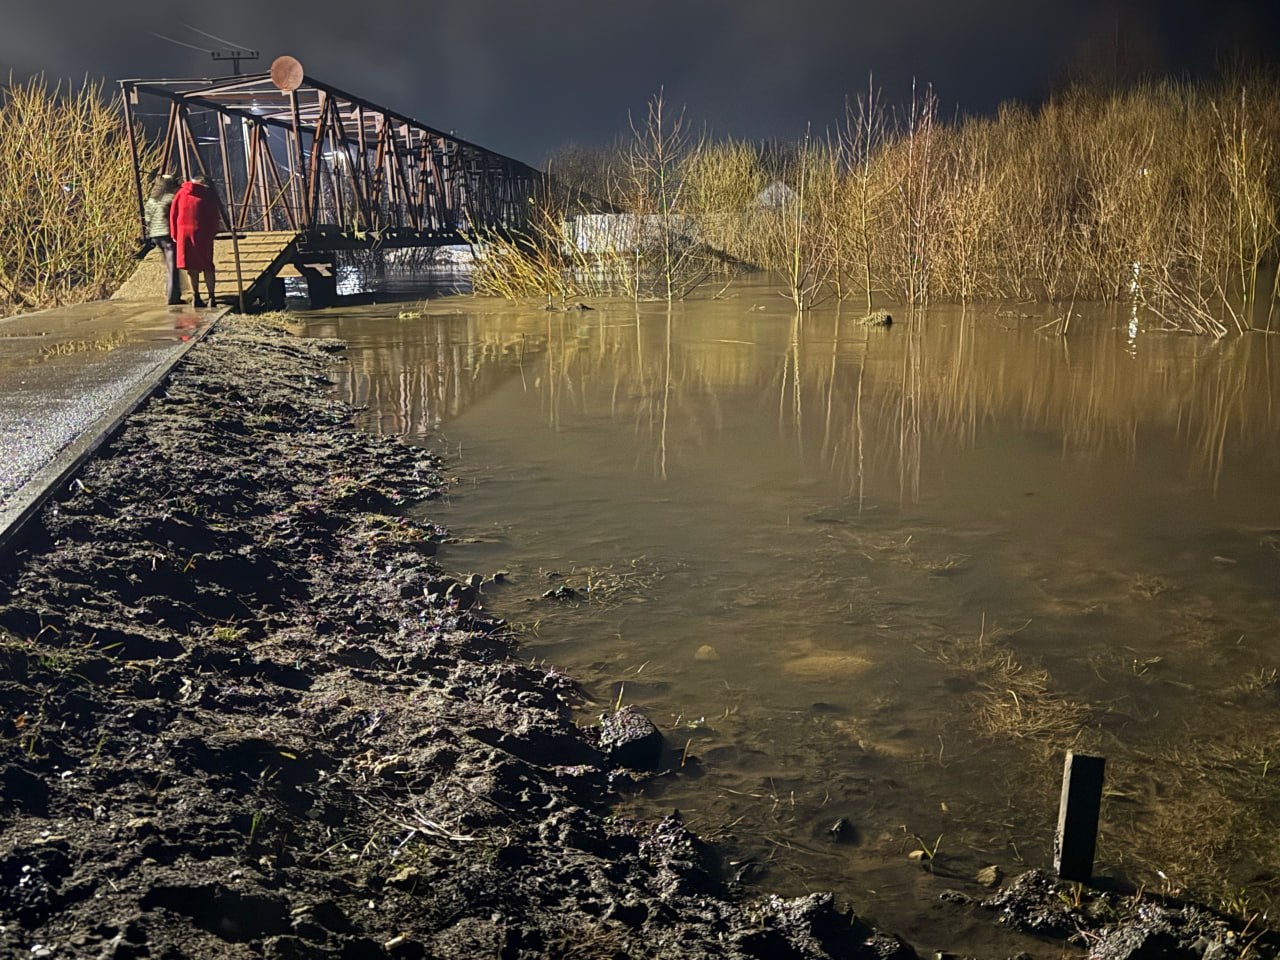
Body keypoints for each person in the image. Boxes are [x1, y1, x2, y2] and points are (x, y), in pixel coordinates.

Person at [169, 174, 222, 308]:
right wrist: (213, 232)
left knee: (191, 267)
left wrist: (174, 234)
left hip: (183, 234)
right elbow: (214, 216)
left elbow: (173, 214)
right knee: (207, 266)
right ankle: (211, 297)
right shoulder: (207, 195)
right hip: (202, 233)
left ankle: (196, 296)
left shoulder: (181, 193)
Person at [143, 174, 181, 305]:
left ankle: (173, 294)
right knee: (172, 267)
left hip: (155, 236)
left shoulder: (151, 201)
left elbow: (147, 220)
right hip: (167, 235)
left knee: (168, 267)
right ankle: (172, 297)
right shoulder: (171, 198)